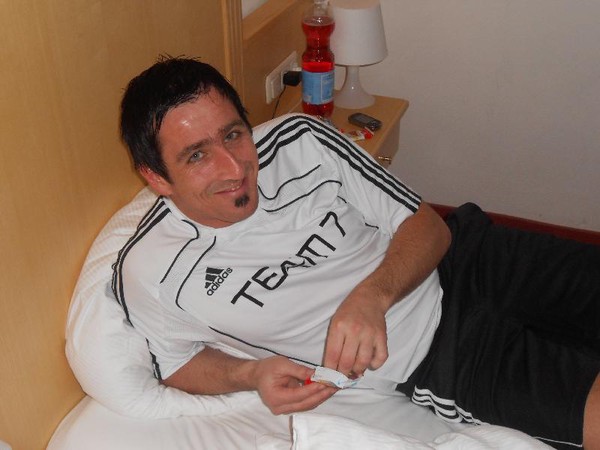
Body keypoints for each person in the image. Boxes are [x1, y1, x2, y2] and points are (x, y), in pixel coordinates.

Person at [113, 56, 600, 449]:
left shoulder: (303, 140)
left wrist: (372, 296)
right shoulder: (153, 273)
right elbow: (175, 364)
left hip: (471, 260)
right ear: (156, 177)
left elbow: (428, 227)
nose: (233, 168)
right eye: (197, 155)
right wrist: (250, 373)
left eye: (234, 135)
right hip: (436, 355)